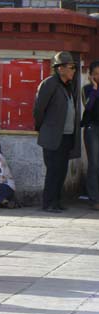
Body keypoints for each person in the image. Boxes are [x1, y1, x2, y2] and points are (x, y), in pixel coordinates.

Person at [33, 51, 81, 213]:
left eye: (74, 67)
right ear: (60, 68)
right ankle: (48, 203)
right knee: (53, 170)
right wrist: (44, 127)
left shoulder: (68, 86)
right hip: (53, 135)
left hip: (67, 136)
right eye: (71, 67)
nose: (73, 70)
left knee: (61, 171)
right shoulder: (49, 84)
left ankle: (57, 201)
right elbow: (39, 109)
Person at [82, 60, 99, 211]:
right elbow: (88, 106)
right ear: (91, 75)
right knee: (94, 164)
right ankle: (94, 198)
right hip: (92, 129)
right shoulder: (87, 89)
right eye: (96, 74)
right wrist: (94, 89)